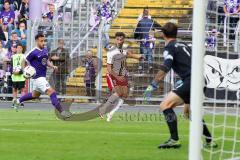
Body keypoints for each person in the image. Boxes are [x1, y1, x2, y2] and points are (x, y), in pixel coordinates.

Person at [144, 22, 217, 149]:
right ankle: (210, 141)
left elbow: (166, 66)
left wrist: (153, 84)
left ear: (163, 34)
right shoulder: (184, 44)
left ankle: (174, 140)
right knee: (189, 113)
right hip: (200, 79)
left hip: (191, 80)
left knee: (165, 105)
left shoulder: (169, 47)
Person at [15, 33, 72, 118]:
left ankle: (18, 100)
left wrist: (52, 66)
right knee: (51, 92)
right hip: (38, 78)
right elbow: (23, 60)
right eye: (41, 41)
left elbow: (46, 61)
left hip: (42, 77)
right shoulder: (33, 52)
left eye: (44, 40)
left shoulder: (45, 50)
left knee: (35, 95)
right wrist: (24, 71)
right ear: (37, 41)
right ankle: (62, 112)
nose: (43, 42)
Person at [100, 32, 143, 122]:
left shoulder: (123, 50)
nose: (119, 41)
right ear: (115, 40)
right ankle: (103, 109)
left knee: (124, 95)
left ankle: (111, 113)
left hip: (122, 75)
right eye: (118, 39)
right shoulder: (111, 51)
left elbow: (129, 54)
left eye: (121, 39)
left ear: (123, 40)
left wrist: (138, 57)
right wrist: (116, 77)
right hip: (113, 75)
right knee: (119, 93)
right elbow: (109, 68)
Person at [134, 7, 161, 71]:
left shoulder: (140, 22)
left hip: (143, 41)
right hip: (150, 41)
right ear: (148, 13)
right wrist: (155, 32)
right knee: (149, 54)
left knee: (142, 55)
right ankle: (150, 67)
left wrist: (136, 38)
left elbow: (136, 32)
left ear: (143, 13)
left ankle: (141, 68)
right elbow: (160, 27)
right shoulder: (152, 21)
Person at [11, 43, 25, 109]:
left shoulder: (24, 56)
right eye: (18, 48)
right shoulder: (13, 56)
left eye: (20, 48)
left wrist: (19, 72)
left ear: (22, 49)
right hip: (14, 76)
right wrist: (13, 72)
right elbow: (11, 66)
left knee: (22, 89)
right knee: (14, 89)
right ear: (16, 49)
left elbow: (24, 67)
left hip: (21, 76)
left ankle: (22, 101)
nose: (19, 49)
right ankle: (14, 101)